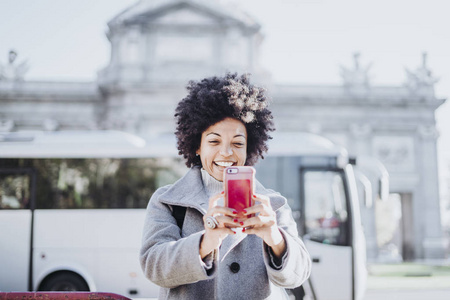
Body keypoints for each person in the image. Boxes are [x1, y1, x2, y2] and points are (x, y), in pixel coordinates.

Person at [140, 73, 311, 299]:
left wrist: (274, 237)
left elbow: (299, 274)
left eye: (237, 143)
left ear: (249, 148)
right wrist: (206, 241)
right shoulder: (167, 202)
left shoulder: (274, 205)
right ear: (197, 146)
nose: (226, 152)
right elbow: (154, 266)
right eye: (214, 141)